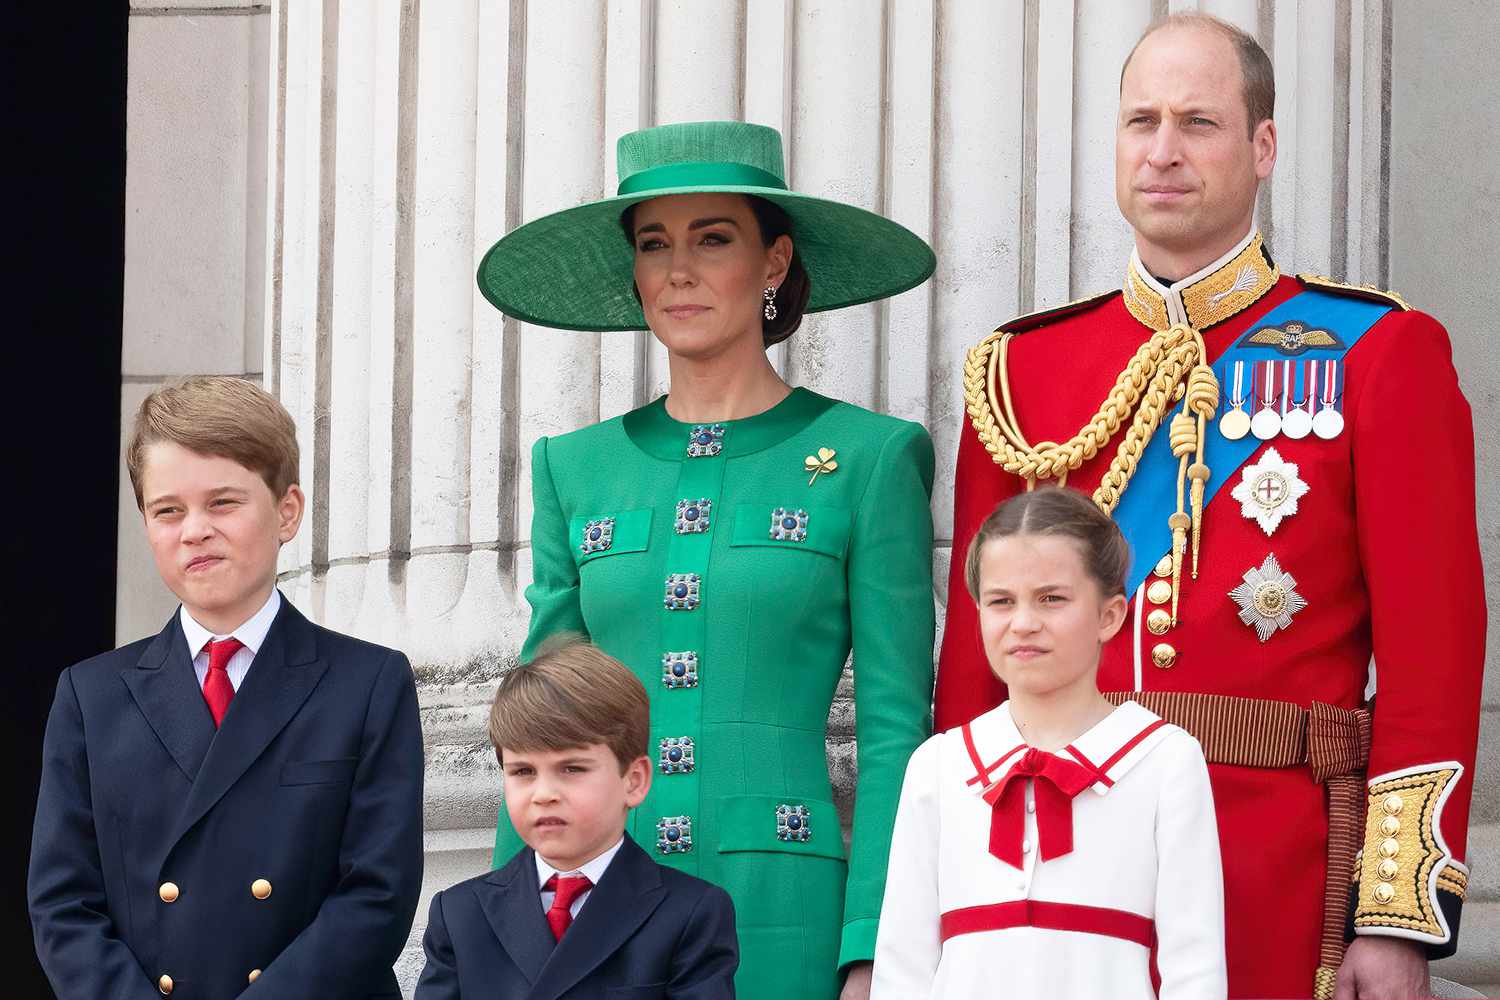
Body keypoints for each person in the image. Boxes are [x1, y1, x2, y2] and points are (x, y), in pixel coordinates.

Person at [934, 13, 1484, 1000]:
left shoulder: (1376, 353)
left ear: (1262, 146)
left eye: (1199, 122)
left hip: (1273, 864)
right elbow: (976, 673)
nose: (1164, 151)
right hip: (1054, 859)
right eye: (1141, 121)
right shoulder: (1021, 373)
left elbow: (1430, 658)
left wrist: (1394, 915)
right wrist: (951, 885)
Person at [475, 119, 938, 999]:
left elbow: (894, 733)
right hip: (605, 893)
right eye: (654, 245)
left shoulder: (871, 458)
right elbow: (539, 722)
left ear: (773, 262)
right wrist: (506, 934)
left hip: (784, 905)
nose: (679, 270)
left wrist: (874, 941)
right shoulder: (572, 468)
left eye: (713, 238)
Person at [28, 376, 424, 998]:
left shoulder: (369, 683)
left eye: (222, 503)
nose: (194, 530)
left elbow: (377, 894)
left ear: (287, 512)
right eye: (168, 510)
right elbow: (62, 903)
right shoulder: (90, 696)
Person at [873, 488, 1224, 999]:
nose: (1023, 623)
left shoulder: (1165, 759)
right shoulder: (939, 765)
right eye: (1001, 601)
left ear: (1110, 616)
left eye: (1051, 598)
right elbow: (902, 968)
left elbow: (1196, 969)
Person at [416, 639, 739, 998]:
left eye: (571, 768)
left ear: (634, 781)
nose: (544, 793)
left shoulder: (691, 912)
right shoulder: (460, 914)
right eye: (523, 771)